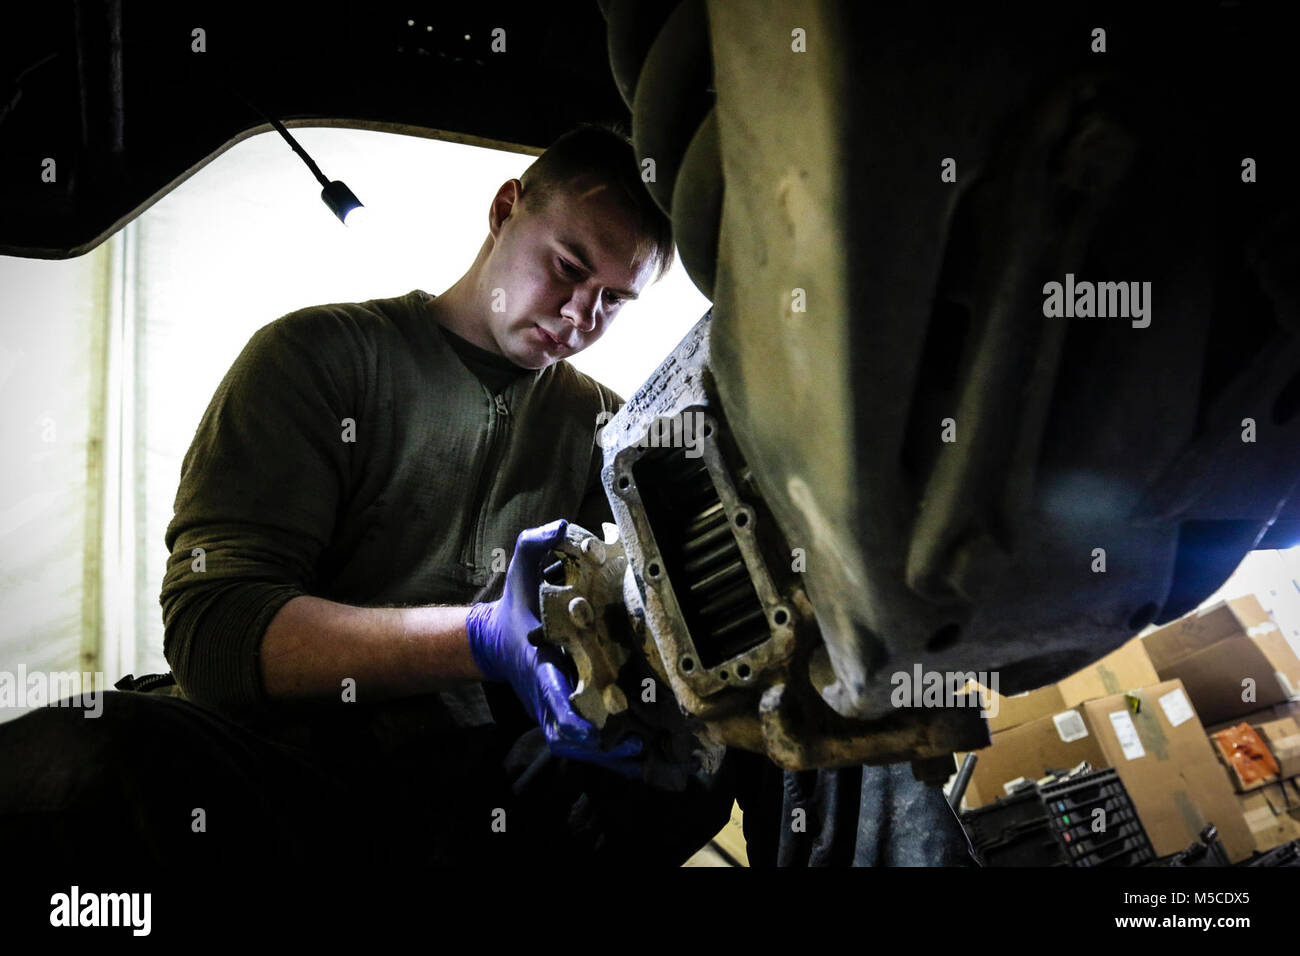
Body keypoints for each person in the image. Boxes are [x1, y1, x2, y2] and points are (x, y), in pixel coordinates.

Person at [0, 123, 734, 875]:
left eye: (615, 298)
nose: (582, 316)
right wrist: (480, 638)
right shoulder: (318, 358)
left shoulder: (615, 440)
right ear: (505, 208)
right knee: (89, 756)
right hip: (286, 775)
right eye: (568, 267)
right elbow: (215, 632)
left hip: (470, 798)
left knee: (689, 785)